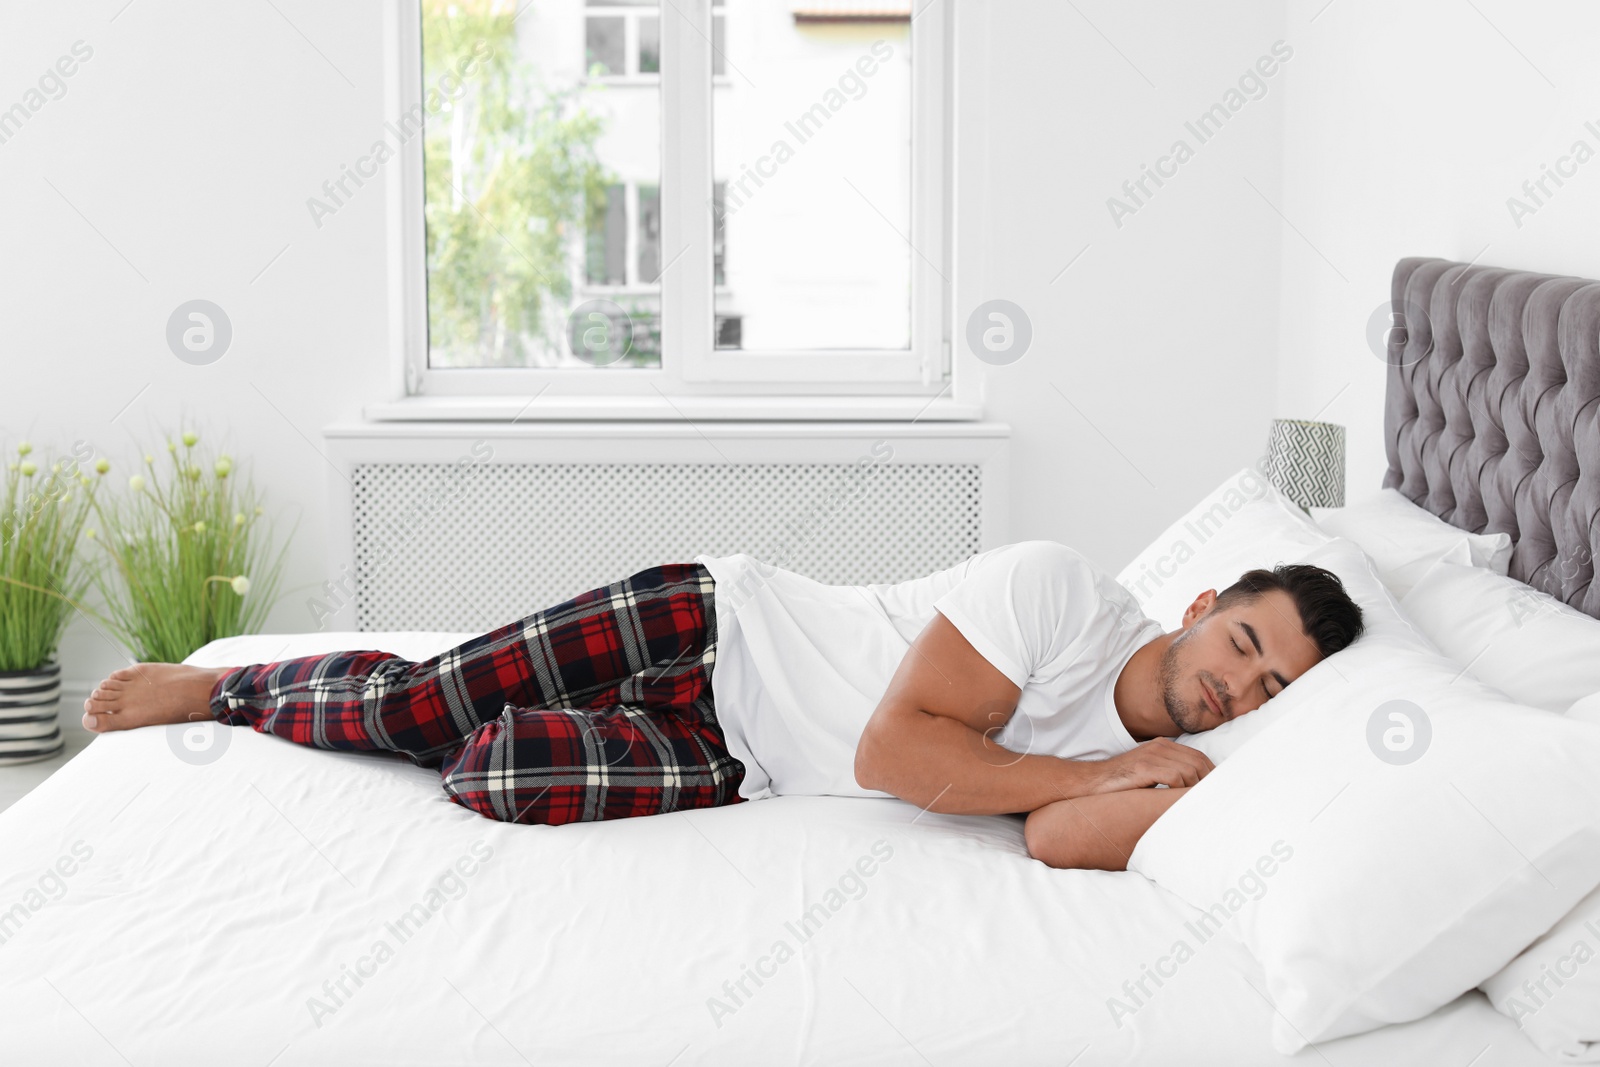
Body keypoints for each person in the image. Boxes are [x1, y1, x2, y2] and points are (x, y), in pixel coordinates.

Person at [80, 541, 1363, 870]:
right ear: (1200, 599)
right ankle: (232, 684)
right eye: (1240, 641)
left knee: (492, 774)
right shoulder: (1063, 593)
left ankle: (365, 689)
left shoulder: (1191, 756)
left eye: (1265, 688)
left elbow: (1051, 840)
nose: (1230, 685)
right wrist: (1094, 774)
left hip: (727, 762)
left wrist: (1169, 777)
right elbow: (893, 749)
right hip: (717, 626)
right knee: (423, 711)